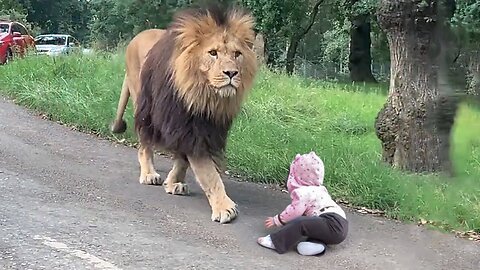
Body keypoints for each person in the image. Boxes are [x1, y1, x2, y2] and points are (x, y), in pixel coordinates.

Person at [257, 151, 348, 256]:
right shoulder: (320, 190)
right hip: (341, 228)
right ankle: (316, 245)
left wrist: (278, 219)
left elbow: (295, 211)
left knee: (301, 223)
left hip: (332, 221)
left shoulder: (303, 192)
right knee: (312, 226)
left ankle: (276, 241)